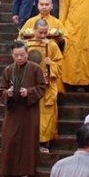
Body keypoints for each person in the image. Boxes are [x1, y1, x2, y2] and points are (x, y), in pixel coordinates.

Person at [0, 41, 46, 177]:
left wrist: (29, 92)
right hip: (13, 111)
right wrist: (8, 93)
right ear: (12, 55)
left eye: (22, 55)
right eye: (16, 55)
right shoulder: (8, 70)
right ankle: (10, 173)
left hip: (29, 111)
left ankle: (26, 176)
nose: (19, 58)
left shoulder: (35, 68)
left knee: (27, 143)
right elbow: (1, 90)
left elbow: (42, 87)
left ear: (27, 53)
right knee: (10, 140)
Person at [29, 19, 63, 153]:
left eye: (45, 33)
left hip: (47, 86)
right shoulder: (27, 45)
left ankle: (44, 143)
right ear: (34, 30)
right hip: (31, 87)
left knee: (46, 116)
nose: (43, 36)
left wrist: (51, 64)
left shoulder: (52, 45)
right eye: (40, 32)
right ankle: (31, 142)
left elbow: (60, 66)